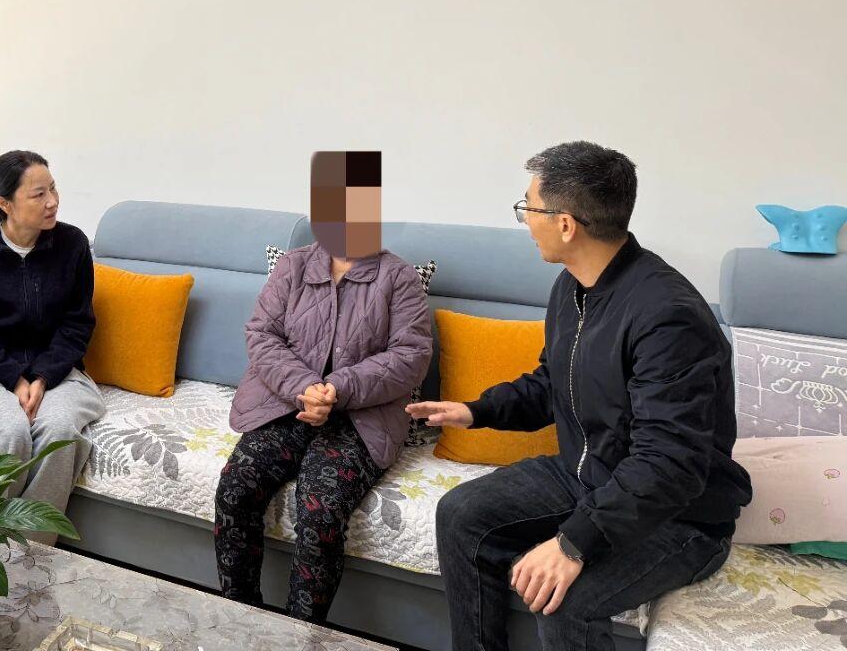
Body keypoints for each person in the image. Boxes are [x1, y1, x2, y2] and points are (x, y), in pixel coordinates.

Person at [410, 141, 751, 651]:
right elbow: (554, 382)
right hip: (588, 475)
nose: (525, 221)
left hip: (679, 514)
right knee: (461, 513)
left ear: (566, 224)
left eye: (528, 208)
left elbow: (669, 464)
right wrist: (476, 411)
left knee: (566, 601)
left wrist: (572, 543)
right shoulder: (572, 288)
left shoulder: (667, 317)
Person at [215, 150, 431, 623]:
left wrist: (336, 389)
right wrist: (304, 388)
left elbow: (410, 356)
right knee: (235, 487)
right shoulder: (293, 267)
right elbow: (262, 335)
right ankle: (240, 621)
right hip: (286, 406)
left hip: (360, 419)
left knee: (319, 509)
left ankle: (302, 635)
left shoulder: (398, 277)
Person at [0, 150, 103, 542]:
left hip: (58, 373)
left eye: (53, 189)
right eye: (38, 194)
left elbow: (77, 324)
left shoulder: (72, 244)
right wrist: (14, 379)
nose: (52, 202)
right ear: (5, 203)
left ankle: (31, 552)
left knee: (60, 429)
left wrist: (42, 377)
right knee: (10, 431)